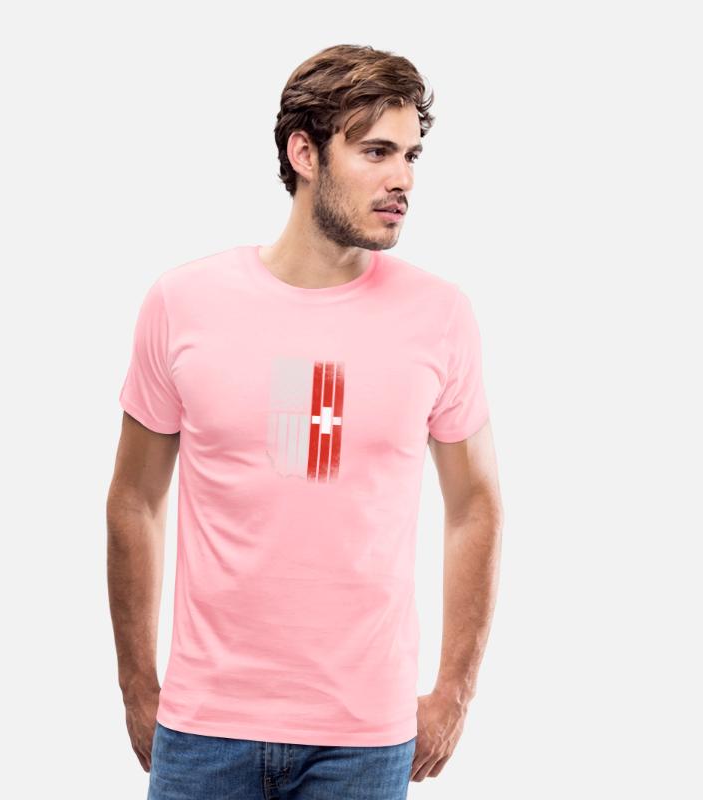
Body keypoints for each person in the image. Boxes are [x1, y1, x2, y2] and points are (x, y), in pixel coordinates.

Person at [107, 43, 503, 800]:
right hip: (203, 728)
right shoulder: (183, 303)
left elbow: (475, 502)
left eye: (411, 155)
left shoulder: (441, 315)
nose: (402, 179)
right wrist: (136, 685)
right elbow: (134, 499)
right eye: (377, 151)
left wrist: (455, 691)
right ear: (304, 153)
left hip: (364, 739)